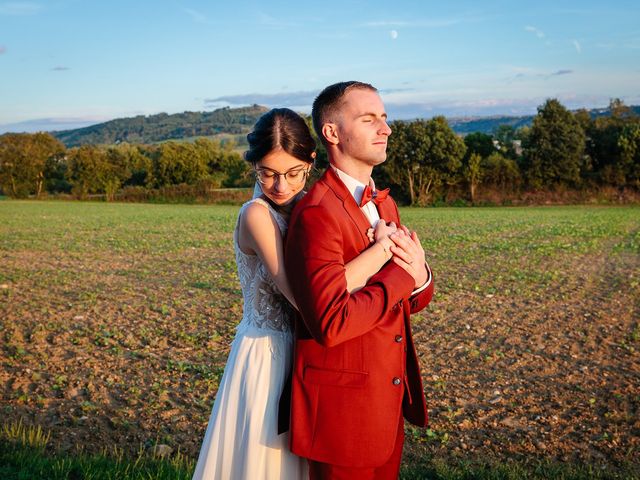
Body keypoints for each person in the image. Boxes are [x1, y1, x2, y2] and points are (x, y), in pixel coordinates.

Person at [192, 108, 408, 479]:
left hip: (306, 353)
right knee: (267, 464)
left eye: (293, 174)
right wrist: (383, 252)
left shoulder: (314, 207)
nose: (280, 186)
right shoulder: (256, 215)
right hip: (268, 356)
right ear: (254, 167)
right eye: (268, 173)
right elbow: (304, 298)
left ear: (311, 161)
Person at [284, 82, 434, 479]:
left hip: (386, 401)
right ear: (332, 133)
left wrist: (421, 274)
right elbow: (331, 323)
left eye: (384, 118)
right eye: (369, 119)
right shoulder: (317, 212)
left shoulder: (385, 202)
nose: (385, 128)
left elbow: (417, 297)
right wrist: (405, 273)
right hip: (343, 412)